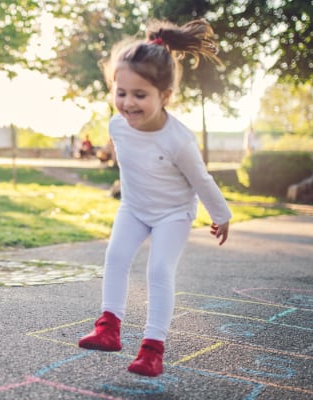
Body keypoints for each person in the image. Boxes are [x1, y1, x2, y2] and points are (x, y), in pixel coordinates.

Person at [78, 19, 231, 377]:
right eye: (121, 93)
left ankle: (152, 349)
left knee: (159, 270)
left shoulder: (178, 139)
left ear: (165, 96)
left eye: (140, 95)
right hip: (134, 208)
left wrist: (221, 214)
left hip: (173, 214)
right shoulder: (117, 126)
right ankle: (108, 330)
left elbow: (201, 180)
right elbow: (133, 164)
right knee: (115, 256)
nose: (128, 103)